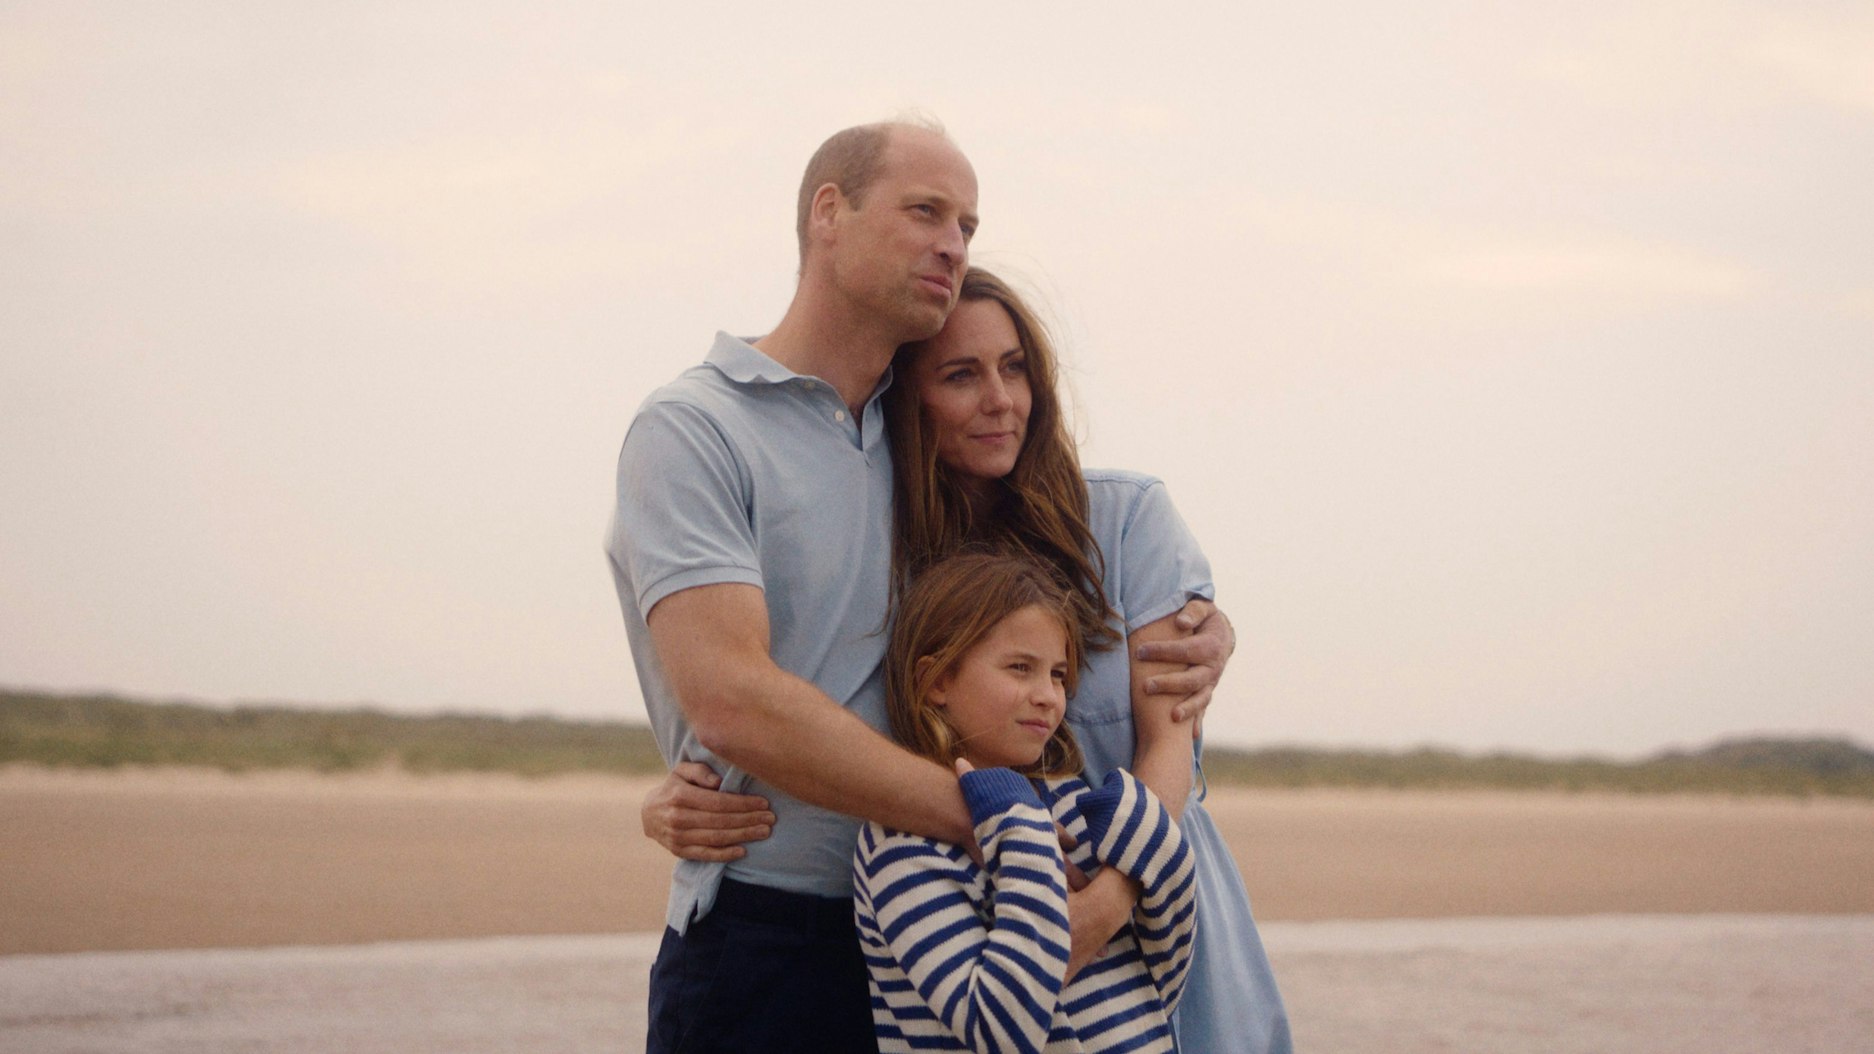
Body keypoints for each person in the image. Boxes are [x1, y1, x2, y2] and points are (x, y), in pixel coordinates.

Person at [607, 120, 1233, 1053]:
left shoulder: (921, 458)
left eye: (968, 226)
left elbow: (1051, 589)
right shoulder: (695, 429)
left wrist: (1207, 624)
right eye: (926, 212)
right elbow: (732, 700)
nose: (953, 243)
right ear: (830, 212)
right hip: (771, 927)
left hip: (939, 934)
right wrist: (992, 818)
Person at [854, 552, 1196, 1053]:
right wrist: (1019, 826)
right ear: (937, 681)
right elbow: (999, 1029)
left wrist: (1151, 838)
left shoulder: (1072, 802)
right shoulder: (901, 845)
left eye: (1058, 674)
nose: (1048, 696)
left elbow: (1163, 974)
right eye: (1020, 668)